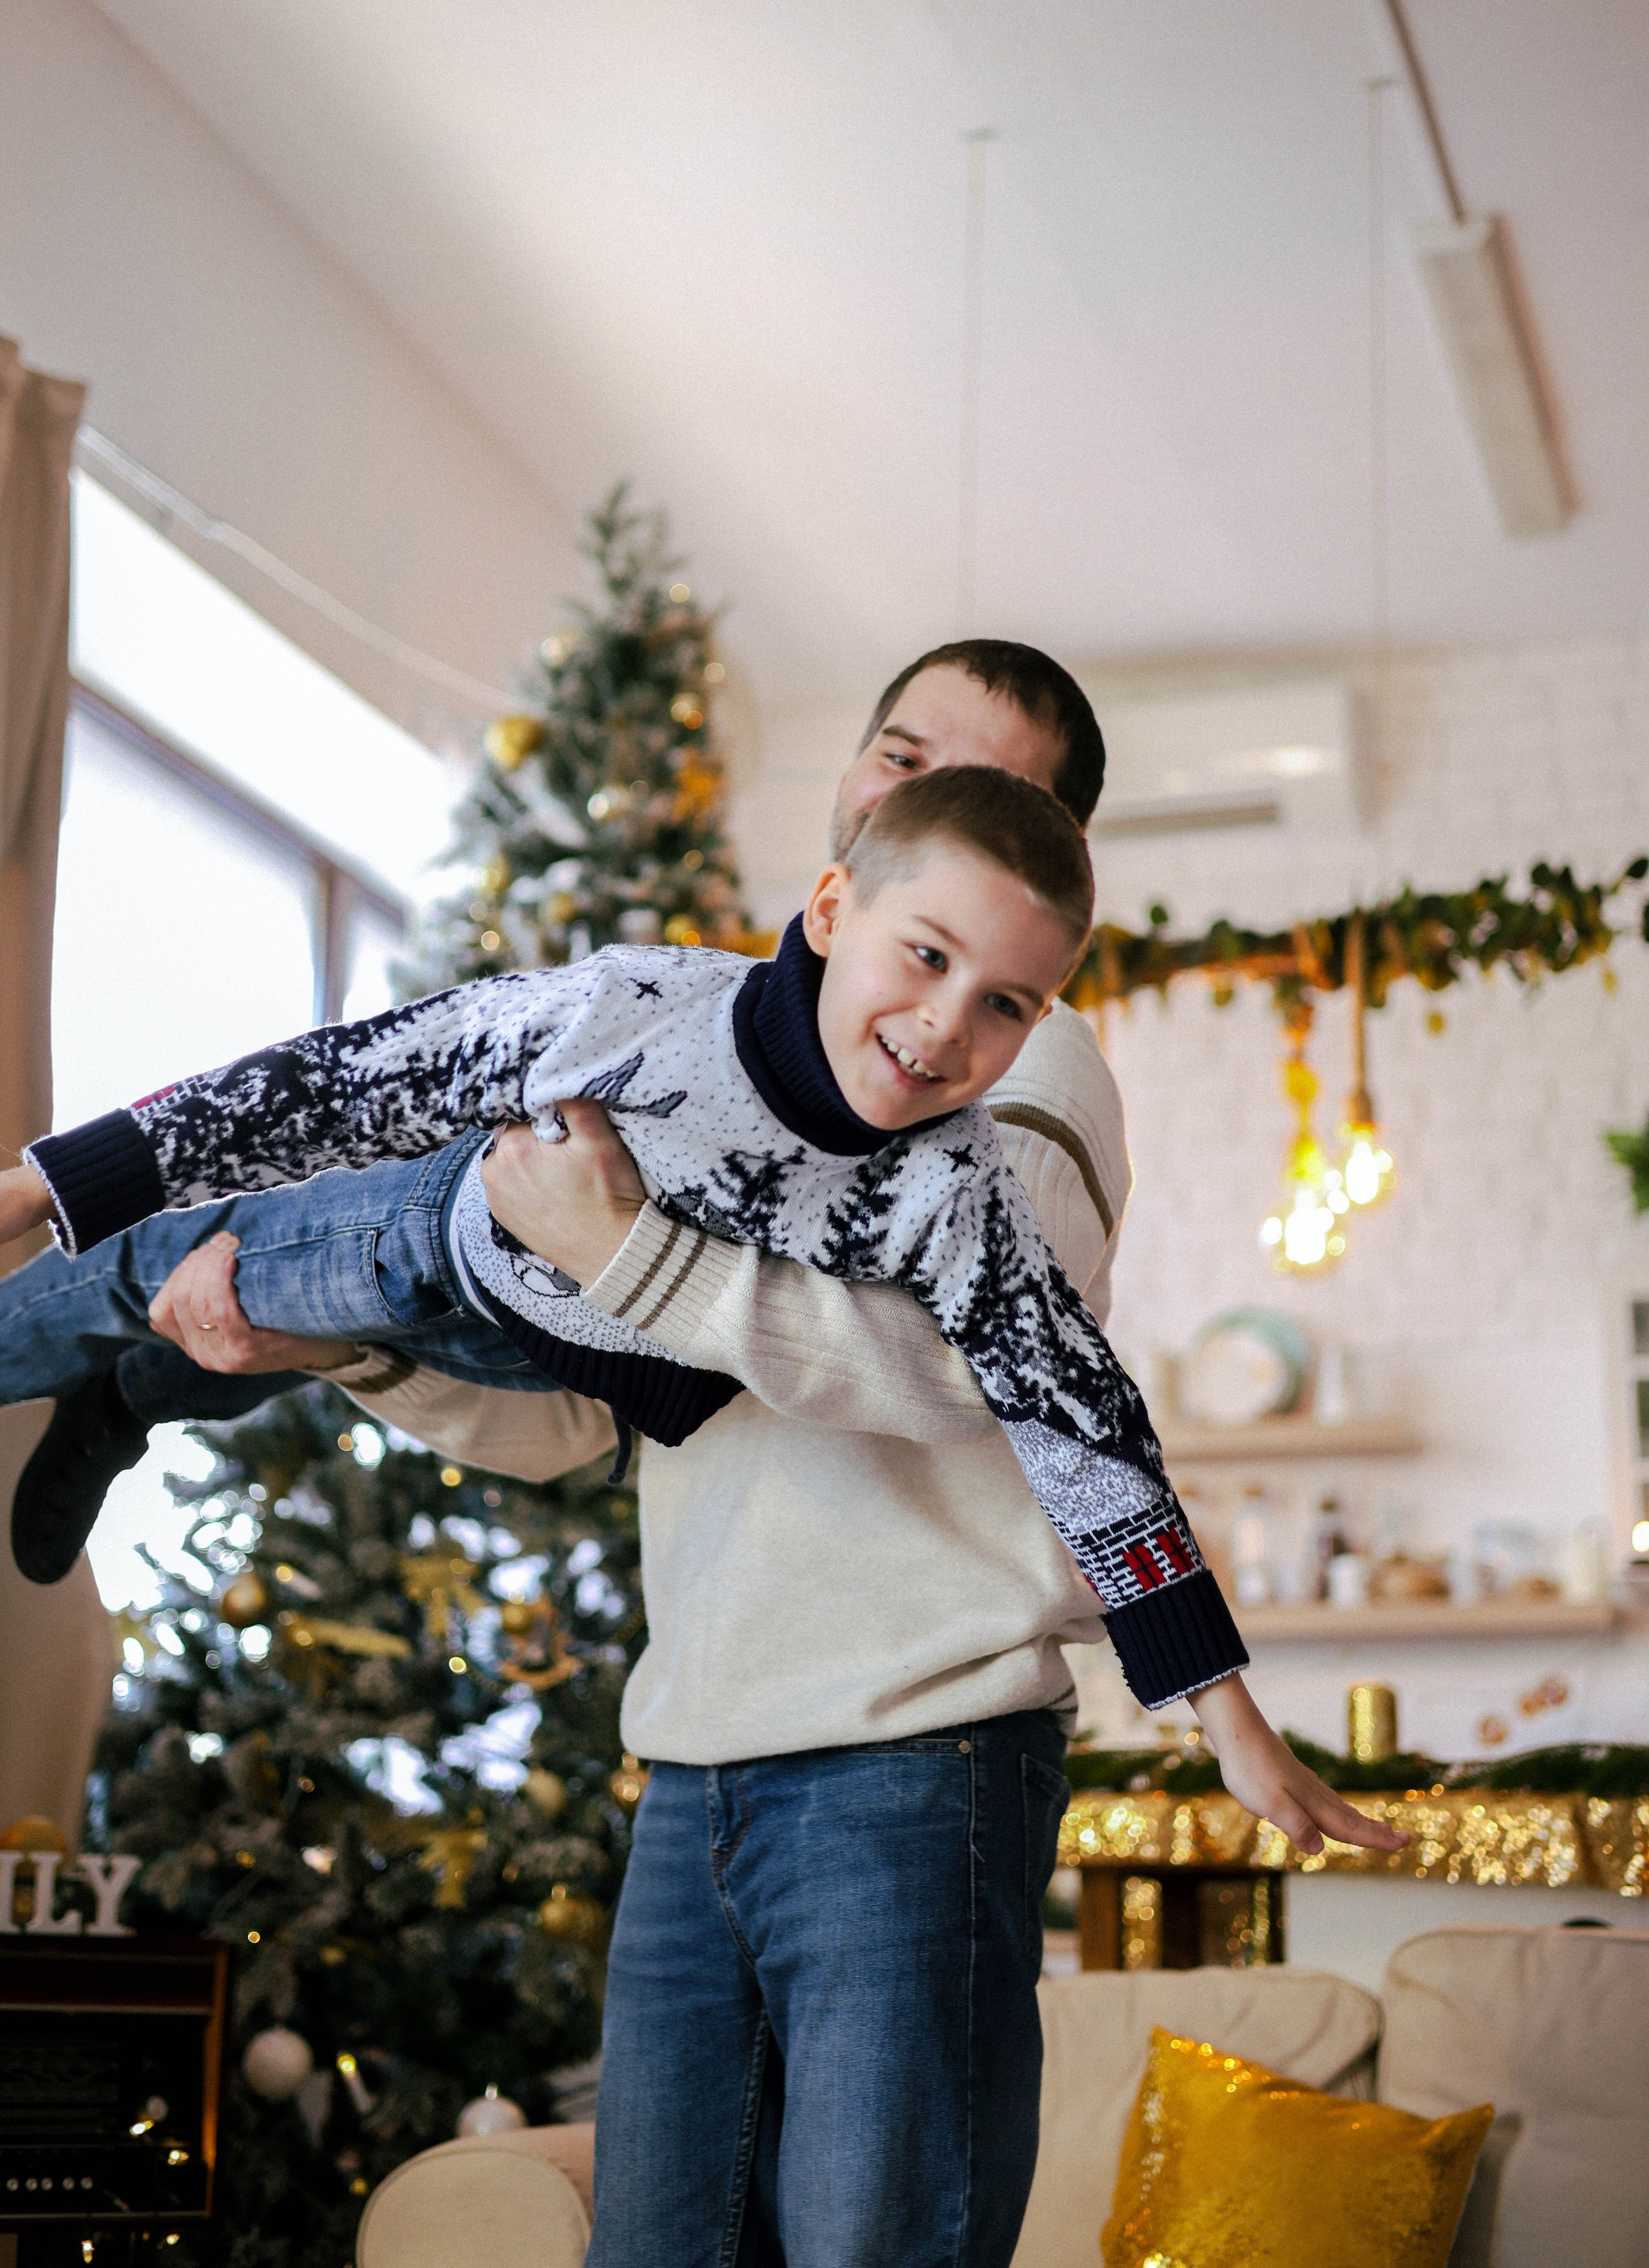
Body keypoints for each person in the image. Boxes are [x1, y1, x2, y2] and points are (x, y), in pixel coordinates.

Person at [4, 640, 1403, 2267]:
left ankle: (133, 1372)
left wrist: (1215, 1707)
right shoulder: (646, 1012)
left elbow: (1023, 1393)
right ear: (837, 886)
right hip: (687, 1733)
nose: (952, 1015)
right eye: (898, 752)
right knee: (199, 1267)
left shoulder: (998, 1112)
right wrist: (103, 1221)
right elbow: (358, 1098)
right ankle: (136, 1379)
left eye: (999, 984)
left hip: (905, 1762)